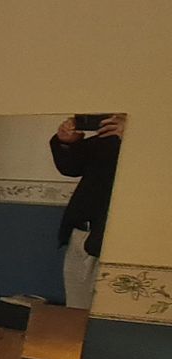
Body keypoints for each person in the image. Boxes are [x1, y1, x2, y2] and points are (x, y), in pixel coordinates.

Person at [50, 113, 125, 308]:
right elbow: (71, 167)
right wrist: (67, 142)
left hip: (125, 237)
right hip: (82, 231)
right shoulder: (107, 139)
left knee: (116, 309)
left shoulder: (157, 138)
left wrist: (138, 138)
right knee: (77, 307)